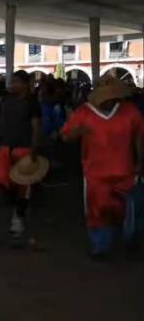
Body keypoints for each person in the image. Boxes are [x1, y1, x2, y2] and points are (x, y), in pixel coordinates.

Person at [61, 77, 144, 259]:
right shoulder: (84, 112)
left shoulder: (130, 111)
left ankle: (129, 238)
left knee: (128, 209)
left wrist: (140, 161)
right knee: (98, 210)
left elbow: (139, 136)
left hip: (125, 171)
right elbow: (66, 136)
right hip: (95, 173)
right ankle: (100, 246)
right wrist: (77, 133)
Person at [0, 70, 41, 238]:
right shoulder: (5, 101)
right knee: (3, 181)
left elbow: (36, 127)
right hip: (5, 146)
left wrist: (34, 147)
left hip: (24, 147)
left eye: (16, 82)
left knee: (23, 185)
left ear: (25, 84)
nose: (12, 85)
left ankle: (18, 217)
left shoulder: (32, 103)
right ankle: (20, 208)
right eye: (12, 82)